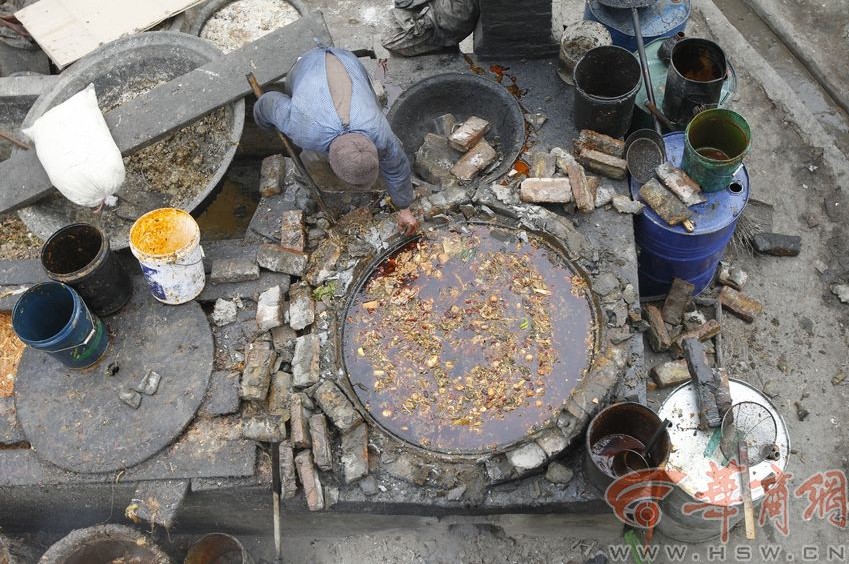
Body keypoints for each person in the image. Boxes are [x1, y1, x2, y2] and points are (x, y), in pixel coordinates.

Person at [253, 46, 420, 235]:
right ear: (330, 161)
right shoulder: (304, 130)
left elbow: (397, 168)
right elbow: (268, 102)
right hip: (307, 63)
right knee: (309, 156)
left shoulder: (379, 132)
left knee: (391, 146)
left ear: (374, 147)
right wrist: (265, 127)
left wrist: (404, 208)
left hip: (348, 60)